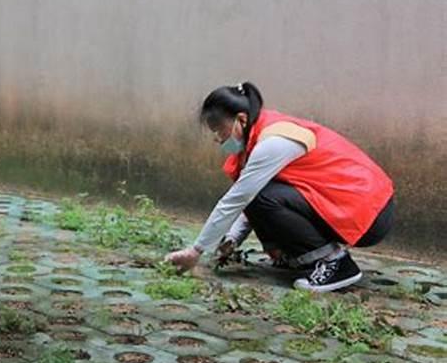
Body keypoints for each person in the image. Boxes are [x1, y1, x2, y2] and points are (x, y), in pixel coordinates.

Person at [165, 82, 394, 292]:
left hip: (369, 212)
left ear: (241, 120)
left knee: (261, 196)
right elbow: (251, 198)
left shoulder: (274, 141)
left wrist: (195, 251)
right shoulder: (259, 136)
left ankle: (335, 263)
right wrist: (233, 238)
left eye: (219, 130)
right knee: (262, 194)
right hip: (349, 206)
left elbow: (239, 199)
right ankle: (297, 257)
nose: (218, 139)